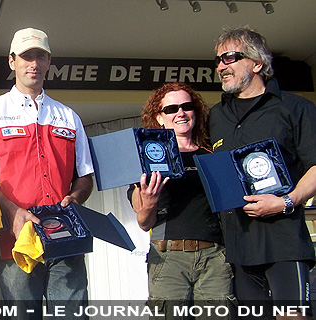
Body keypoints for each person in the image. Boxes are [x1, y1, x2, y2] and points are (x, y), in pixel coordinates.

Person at [0, 28, 94, 319]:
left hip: (66, 237)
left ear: (49, 62)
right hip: (14, 241)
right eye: (26, 57)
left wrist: (75, 198)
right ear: (12, 61)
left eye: (40, 56)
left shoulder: (69, 116)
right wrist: (12, 213)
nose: (33, 63)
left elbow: (84, 175)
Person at [211, 26, 316, 319]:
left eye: (230, 57)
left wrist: (287, 201)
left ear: (257, 63)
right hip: (236, 249)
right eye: (218, 60)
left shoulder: (295, 108)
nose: (221, 66)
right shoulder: (215, 117)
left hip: (284, 243)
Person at [128, 82, 234, 319]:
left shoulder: (212, 155)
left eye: (187, 106)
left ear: (196, 111)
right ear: (159, 117)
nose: (180, 113)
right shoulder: (148, 159)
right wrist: (149, 200)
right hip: (168, 259)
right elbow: (144, 222)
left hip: (214, 259)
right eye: (171, 109)